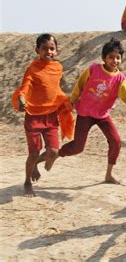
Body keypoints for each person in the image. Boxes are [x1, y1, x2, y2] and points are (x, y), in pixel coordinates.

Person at [48, 38, 126, 184]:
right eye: (111, 57)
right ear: (104, 58)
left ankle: (108, 174)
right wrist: (72, 101)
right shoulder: (93, 69)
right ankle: (58, 154)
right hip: (85, 113)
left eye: (118, 58)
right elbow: (79, 85)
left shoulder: (120, 78)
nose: (115, 61)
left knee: (116, 142)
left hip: (102, 115)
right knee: (78, 147)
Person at [11, 34, 74, 197]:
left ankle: (35, 165)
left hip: (51, 115)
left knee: (53, 152)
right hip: (33, 115)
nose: (49, 51)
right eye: (44, 48)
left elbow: (54, 88)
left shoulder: (58, 68)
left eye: (52, 48)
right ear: (37, 50)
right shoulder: (32, 68)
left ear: (56, 51)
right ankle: (27, 181)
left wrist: (65, 101)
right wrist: (22, 98)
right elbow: (25, 86)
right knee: (33, 153)